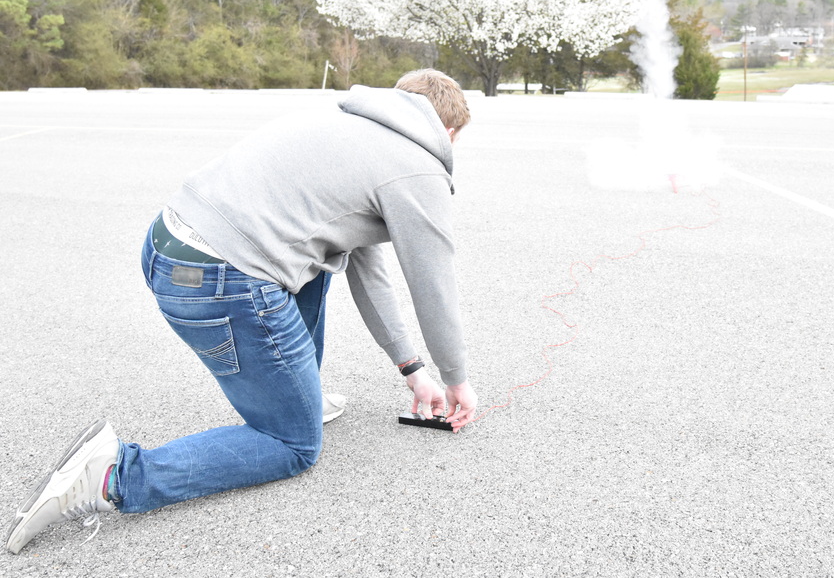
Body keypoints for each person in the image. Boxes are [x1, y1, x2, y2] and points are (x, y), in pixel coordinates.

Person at [6, 69, 479, 555]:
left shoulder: (347, 123)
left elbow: (366, 262)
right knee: (293, 446)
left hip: (164, 247)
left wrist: (413, 369)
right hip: (217, 282)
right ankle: (112, 475)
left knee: (316, 264)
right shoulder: (417, 165)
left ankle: (299, 395)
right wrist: (455, 378)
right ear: (447, 131)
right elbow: (433, 286)